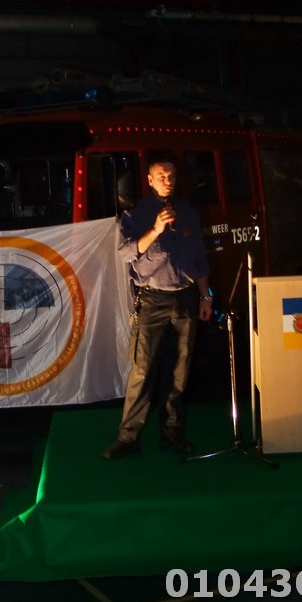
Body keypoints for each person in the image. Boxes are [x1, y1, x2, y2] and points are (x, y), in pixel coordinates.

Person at [103, 152, 212, 459]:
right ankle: (128, 437)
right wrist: (155, 230)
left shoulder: (187, 212)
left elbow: (199, 259)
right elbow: (126, 253)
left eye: (172, 176)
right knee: (143, 370)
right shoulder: (135, 215)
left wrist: (205, 296)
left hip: (186, 299)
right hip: (152, 300)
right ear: (150, 180)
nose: (168, 181)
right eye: (162, 176)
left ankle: (172, 434)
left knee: (179, 371)